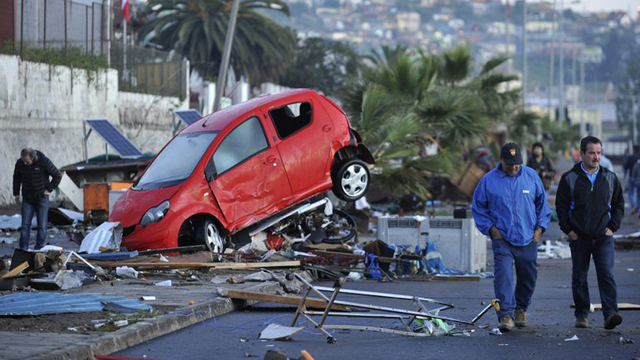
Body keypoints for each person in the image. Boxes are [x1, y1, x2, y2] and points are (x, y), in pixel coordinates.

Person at [473, 143, 551, 332]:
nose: (514, 167)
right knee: (504, 277)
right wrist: (491, 230)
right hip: (503, 239)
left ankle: (520, 309)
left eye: (517, 164)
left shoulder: (531, 176)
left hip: (528, 237)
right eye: (510, 164)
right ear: (501, 161)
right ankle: (505, 315)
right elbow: (478, 208)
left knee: (528, 276)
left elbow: (543, 205)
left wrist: (539, 230)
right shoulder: (488, 181)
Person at [555, 136, 624, 330]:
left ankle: (610, 313)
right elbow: (560, 207)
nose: (596, 157)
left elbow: (619, 204)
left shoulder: (609, 177)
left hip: (603, 237)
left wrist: (612, 228)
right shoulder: (570, 178)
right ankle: (582, 314)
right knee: (579, 277)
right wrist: (569, 231)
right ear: (582, 154)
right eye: (592, 153)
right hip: (580, 238)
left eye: (599, 153)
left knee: (607, 275)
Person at [12, 148, 62, 250]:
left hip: (42, 198)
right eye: (23, 161)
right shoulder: (20, 163)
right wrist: (16, 193)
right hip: (27, 198)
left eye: (27, 161)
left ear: (33, 157)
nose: (25, 163)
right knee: (25, 225)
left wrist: (49, 189)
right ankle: (23, 248)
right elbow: (16, 178)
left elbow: (57, 175)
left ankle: (39, 248)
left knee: (42, 225)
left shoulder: (44, 161)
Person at [623, 145, 640, 212]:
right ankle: (638, 208)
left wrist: (625, 173)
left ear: (633, 150)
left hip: (632, 177)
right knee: (639, 194)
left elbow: (626, 166)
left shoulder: (630, 157)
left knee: (631, 193)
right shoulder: (638, 157)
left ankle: (633, 204)